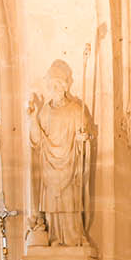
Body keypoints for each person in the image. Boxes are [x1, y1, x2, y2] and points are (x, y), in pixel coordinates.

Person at [28, 59, 93, 246]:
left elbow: (84, 137)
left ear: (65, 85)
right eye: (51, 84)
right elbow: (37, 140)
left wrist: (83, 139)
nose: (54, 88)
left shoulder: (76, 110)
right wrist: (33, 118)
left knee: (69, 202)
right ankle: (55, 237)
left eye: (58, 83)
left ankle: (73, 237)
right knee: (52, 205)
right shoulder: (45, 112)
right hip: (49, 166)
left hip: (70, 165)